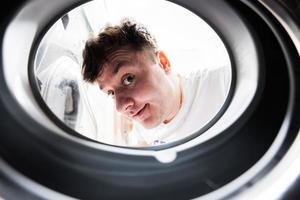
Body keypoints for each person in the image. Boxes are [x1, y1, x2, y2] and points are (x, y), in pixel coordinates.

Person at [81, 18, 231, 147]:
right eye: (111, 93)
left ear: (163, 63)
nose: (120, 107)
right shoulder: (142, 127)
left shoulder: (223, 82)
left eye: (128, 79)